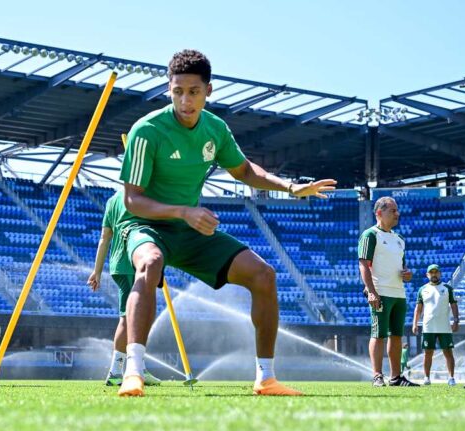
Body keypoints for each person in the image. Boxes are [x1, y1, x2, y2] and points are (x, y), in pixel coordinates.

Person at [116, 49, 336, 397]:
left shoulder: (215, 129)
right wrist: (184, 212)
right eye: (177, 91)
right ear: (168, 90)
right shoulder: (147, 131)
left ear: (209, 91)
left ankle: (266, 377)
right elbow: (132, 200)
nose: (185, 100)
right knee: (151, 263)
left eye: (193, 92)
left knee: (263, 275)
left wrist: (291, 187)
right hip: (145, 225)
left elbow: (246, 171)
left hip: (190, 229)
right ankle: (133, 373)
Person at [87, 190, 161, 387]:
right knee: (129, 317)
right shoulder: (144, 194)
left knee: (140, 316)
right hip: (133, 263)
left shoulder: (113, 200)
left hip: (122, 264)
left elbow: (105, 238)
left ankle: (137, 367)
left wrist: (97, 271)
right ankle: (115, 371)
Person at [358, 196, 418, 387]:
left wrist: (407, 274)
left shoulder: (400, 239)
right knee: (379, 334)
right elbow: (363, 265)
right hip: (380, 292)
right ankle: (377, 375)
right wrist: (371, 291)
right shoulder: (370, 235)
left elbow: (401, 266)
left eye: (397, 210)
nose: (397, 214)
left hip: (399, 293)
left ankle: (396, 377)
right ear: (379, 213)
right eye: (392, 210)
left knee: (397, 336)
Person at [411, 264, 459, 386]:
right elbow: (418, 308)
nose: (434, 274)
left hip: (444, 327)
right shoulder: (422, 289)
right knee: (428, 353)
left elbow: (454, 305)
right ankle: (426, 378)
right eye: (431, 272)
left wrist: (456, 320)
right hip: (428, 327)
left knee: (448, 352)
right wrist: (415, 323)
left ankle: (451, 378)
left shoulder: (447, 288)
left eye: (436, 272)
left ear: (440, 274)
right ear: (427, 275)